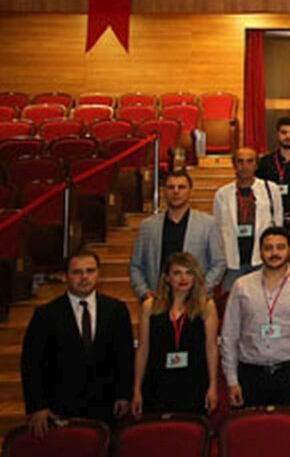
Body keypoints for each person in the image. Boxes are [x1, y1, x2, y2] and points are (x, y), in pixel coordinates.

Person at [22, 250, 133, 435]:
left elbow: (125, 356)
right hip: (61, 406)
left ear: (98, 273)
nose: (84, 277)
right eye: (77, 272)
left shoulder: (117, 310)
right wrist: (37, 406)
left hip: (107, 406)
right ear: (65, 276)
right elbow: (32, 363)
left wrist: (124, 394)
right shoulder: (46, 314)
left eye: (90, 271)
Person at [222, 227, 290, 407]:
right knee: (251, 425)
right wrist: (232, 381)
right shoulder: (242, 286)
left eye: (280, 247)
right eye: (268, 248)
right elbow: (229, 335)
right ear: (260, 252)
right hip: (250, 374)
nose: (274, 253)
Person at [132, 252, 219, 416]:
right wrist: (136, 388)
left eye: (189, 272)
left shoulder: (206, 306)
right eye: (177, 273)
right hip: (157, 381)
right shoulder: (150, 306)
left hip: (193, 381)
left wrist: (213, 385)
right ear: (166, 277)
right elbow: (143, 349)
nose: (183, 278)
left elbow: (211, 348)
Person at [131, 171, 225, 301]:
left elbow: (219, 263)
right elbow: (136, 265)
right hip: (159, 299)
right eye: (171, 187)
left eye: (181, 187)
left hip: (195, 301)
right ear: (164, 191)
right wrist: (144, 292)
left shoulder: (208, 224)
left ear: (190, 191)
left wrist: (201, 290)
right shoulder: (148, 226)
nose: (176, 191)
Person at [215, 147, 284, 291]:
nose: (244, 166)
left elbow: (278, 223)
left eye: (249, 161)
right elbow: (217, 227)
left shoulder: (271, 189)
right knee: (230, 300)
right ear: (234, 165)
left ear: (256, 165)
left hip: (261, 260)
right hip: (233, 261)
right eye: (240, 161)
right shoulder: (222, 194)